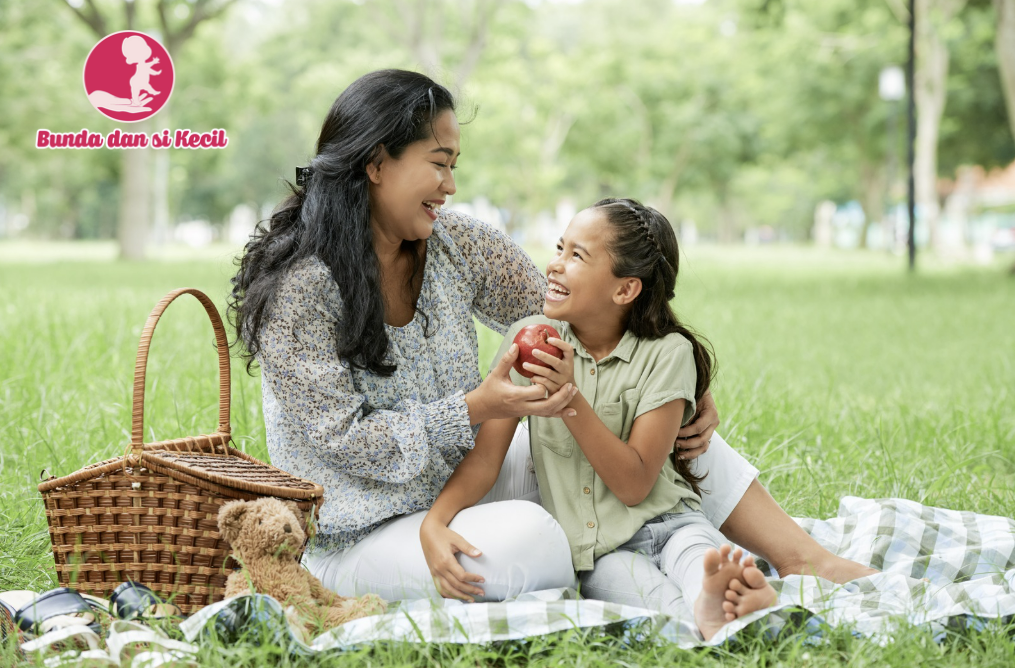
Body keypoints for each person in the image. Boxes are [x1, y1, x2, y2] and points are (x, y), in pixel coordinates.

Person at [228, 69, 874, 604]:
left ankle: (804, 558)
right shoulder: (302, 289)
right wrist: (477, 407)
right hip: (361, 533)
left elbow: (581, 306)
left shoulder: (453, 245)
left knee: (652, 421)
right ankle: (655, 577)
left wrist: (682, 389)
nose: (450, 187)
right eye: (439, 164)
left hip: (464, 482)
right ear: (376, 164)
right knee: (529, 542)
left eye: (454, 166)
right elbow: (346, 444)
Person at [420, 199, 780, 638]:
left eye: (577, 256)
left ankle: (721, 589)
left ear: (625, 290)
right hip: (601, 554)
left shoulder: (667, 354)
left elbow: (635, 485)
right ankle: (715, 613)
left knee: (696, 557)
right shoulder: (528, 340)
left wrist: (568, 398)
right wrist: (435, 522)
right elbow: (484, 460)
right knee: (649, 604)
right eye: (559, 248)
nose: (553, 266)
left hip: (672, 521)